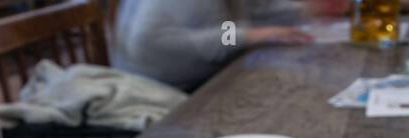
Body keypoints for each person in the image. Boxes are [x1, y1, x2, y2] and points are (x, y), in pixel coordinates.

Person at [113, 0, 315, 92]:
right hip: (159, 93)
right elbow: (148, 42)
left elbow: (254, 8)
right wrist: (245, 35)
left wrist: (304, 9)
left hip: (206, 80)